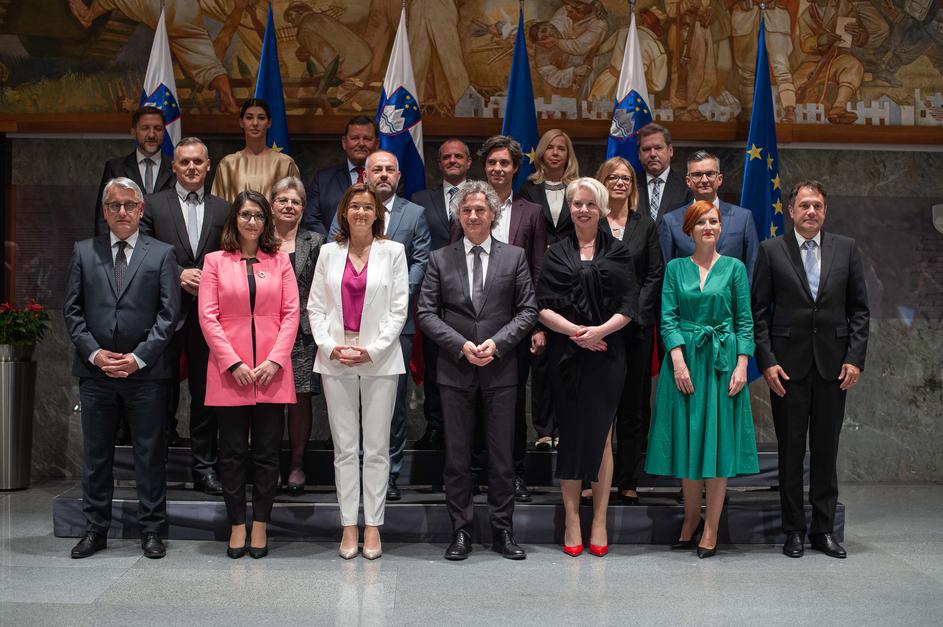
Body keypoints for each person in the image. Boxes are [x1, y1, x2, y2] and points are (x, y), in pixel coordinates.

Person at [416, 180, 538, 561]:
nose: (472, 216)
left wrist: (497, 344)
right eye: (466, 210)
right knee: (457, 458)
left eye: (480, 210)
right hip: (455, 370)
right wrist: (461, 345)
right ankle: (461, 531)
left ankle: (503, 531)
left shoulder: (514, 257)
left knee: (502, 459)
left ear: (493, 215)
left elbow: (528, 311)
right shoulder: (439, 258)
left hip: (500, 371)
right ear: (458, 215)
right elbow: (426, 313)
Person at [752, 180, 870, 559]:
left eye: (817, 205)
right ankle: (793, 531)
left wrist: (854, 358)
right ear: (791, 211)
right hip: (787, 369)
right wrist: (767, 361)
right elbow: (758, 312)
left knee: (825, 451)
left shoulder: (846, 249)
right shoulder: (772, 250)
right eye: (804, 205)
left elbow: (859, 310)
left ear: (825, 210)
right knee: (790, 452)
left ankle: (823, 530)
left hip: (835, 368)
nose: (811, 212)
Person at [64, 177, 179, 559]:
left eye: (129, 205)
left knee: (150, 455)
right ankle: (94, 531)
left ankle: (152, 531)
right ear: (104, 211)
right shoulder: (84, 251)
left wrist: (138, 357)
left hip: (146, 374)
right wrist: (96, 354)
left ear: (141, 209)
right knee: (97, 457)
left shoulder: (161, 253)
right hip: (96, 374)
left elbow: (169, 315)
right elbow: (72, 312)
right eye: (114, 205)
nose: (122, 211)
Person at [645, 200, 759, 559]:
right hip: (685, 362)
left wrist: (742, 364)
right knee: (688, 442)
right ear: (689, 230)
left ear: (721, 228)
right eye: (701, 222)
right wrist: (678, 361)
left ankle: (711, 527)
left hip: (723, 363)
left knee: (717, 445)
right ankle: (691, 519)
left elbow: (744, 320)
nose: (708, 227)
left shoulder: (735, 268)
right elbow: (667, 318)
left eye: (713, 221)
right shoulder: (675, 268)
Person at [536, 177, 638, 557]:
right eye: (577, 204)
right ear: (571, 208)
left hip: (608, 353)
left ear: (602, 209)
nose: (583, 210)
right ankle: (571, 519)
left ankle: (599, 519)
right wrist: (577, 333)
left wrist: (598, 332)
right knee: (570, 435)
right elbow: (541, 305)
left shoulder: (619, 252)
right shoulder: (555, 252)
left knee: (601, 437)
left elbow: (629, 305)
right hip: (566, 354)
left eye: (590, 204)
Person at [309, 183, 409, 560]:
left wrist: (372, 350)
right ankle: (349, 526)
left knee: (377, 448)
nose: (361, 212)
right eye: (355, 206)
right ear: (344, 212)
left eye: (368, 207)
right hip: (335, 358)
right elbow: (316, 307)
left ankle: (373, 527)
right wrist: (329, 346)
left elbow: (399, 309)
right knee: (345, 449)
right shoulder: (328, 253)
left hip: (379, 360)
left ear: (377, 213)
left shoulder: (393, 252)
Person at [198, 191, 300, 559]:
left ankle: (261, 524)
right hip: (231, 373)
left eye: (258, 215)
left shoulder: (281, 261)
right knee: (232, 454)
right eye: (245, 215)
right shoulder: (214, 262)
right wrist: (233, 362)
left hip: (272, 372)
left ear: (266, 221)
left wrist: (275, 360)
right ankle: (237, 525)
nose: (252, 221)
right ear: (234, 220)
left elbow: (291, 314)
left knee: (268, 455)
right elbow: (208, 317)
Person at [330, 150, 430, 501]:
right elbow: (333, 254)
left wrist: (392, 294)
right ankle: (355, 472)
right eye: (377, 169)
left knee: (392, 405)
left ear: (398, 176)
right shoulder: (347, 211)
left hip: (396, 325)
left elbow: (420, 261)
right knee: (350, 406)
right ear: (365, 175)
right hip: (347, 326)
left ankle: (389, 473)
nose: (384, 174)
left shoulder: (415, 214)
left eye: (390, 169)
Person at [452, 135, 547, 502]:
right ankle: (478, 471)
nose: (497, 168)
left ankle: (514, 473)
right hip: (471, 321)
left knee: (512, 403)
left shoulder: (531, 212)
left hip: (514, 326)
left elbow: (537, 269)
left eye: (504, 163)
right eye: (491, 162)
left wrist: (535, 324)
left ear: (516, 168)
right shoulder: (467, 207)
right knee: (473, 400)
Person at [140, 137, 229, 493]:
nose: (192, 167)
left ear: (209, 165)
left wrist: (210, 278)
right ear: (173, 166)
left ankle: (204, 469)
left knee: (206, 395)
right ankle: (155, 469)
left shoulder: (223, 209)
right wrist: (178, 273)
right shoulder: (152, 205)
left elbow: (232, 257)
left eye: (198, 162)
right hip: (164, 313)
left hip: (210, 316)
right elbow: (143, 251)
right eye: (185, 162)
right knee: (160, 393)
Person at [595, 157, 664, 504]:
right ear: (602, 182)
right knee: (599, 406)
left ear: (632, 186)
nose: (620, 183)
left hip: (636, 328)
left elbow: (654, 274)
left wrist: (633, 313)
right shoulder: (591, 222)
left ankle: (627, 479)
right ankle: (596, 479)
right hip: (599, 329)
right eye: (613, 178)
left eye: (625, 178)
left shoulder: (645, 225)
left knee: (634, 406)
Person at [517, 129, 579, 452]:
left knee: (569, 359)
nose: (555, 153)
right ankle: (543, 429)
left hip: (571, 279)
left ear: (568, 155)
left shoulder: (578, 189)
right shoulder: (528, 189)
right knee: (540, 360)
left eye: (561, 148)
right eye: (550, 148)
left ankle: (566, 427)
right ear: (541, 153)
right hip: (537, 275)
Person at [411, 138, 473, 450]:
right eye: (446, 157)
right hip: (433, 294)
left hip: (475, 293)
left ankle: (472, 432)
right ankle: (436, 426)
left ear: (469, 162)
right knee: (435, 364)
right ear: (438, 163)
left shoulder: (480, 197)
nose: (452, 161)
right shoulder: (420, 199)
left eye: (458, 156)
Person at [271, 176, 325, 495]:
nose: (289, 206)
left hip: (304, 334)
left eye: (295, 201)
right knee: (269, 401)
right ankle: (270, 464)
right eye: (283, 200)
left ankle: (296, 464)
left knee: (300, 399)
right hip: (266, 330)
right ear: (271, 205)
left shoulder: (315, 242)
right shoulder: (259, 239)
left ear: (303, 208)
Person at [660, 150, 760, 280]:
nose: (704, 180)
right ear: (688, 181)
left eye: (710, 174)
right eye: (697, 175)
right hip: (689, 292)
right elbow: (667, 274)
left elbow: (753, 267)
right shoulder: (671, 221)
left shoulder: (743, 218)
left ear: (719, 179)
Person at [94, 106, 174, 235]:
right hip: (126, 243)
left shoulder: (177, 168)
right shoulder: (115, 167)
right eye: (145, 128)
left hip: (166, 243)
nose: (152, 134)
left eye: (158, 129)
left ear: (164, 132)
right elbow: (103, 217)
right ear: (133, 132)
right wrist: (104, 247)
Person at [210, 99, 301, 203]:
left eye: (261, 118)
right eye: (249, 117)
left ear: (269, 123)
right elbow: (217, 207)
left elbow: (296, 204)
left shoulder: (285, 163)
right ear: (241, 122)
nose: (255, 123)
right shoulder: (227, 164)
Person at [302, 116, 380, 235]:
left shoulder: (388, 180)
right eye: (355, 138)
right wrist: (334, 242)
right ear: (344, 142)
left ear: (377, 144)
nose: (361, 143)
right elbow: (311, 218)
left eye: (367, 139)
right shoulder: (323, 179)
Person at [635, 123, 694, 225]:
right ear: (639, 154)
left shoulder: (687, 185)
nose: (652, 154)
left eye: (658, 148)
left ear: (670, 151)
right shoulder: (630, 185)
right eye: (646, 149)